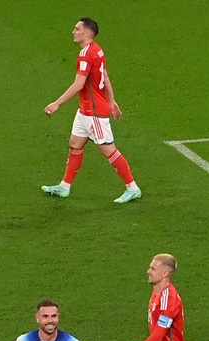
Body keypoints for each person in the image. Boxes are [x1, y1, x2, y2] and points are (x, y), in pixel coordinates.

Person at [40, 17, 141, 204]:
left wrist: (57, 103)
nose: (73, 31)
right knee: (75, 145)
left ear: (87, 33)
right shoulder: (98, 50)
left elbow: (79, 84)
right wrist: (111, 101)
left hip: (94, 112)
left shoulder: (87, 54)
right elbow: (105, 75)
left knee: (108, 149)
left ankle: (132, 188)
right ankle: (64, 187)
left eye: (77, 29)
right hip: (85, 111)